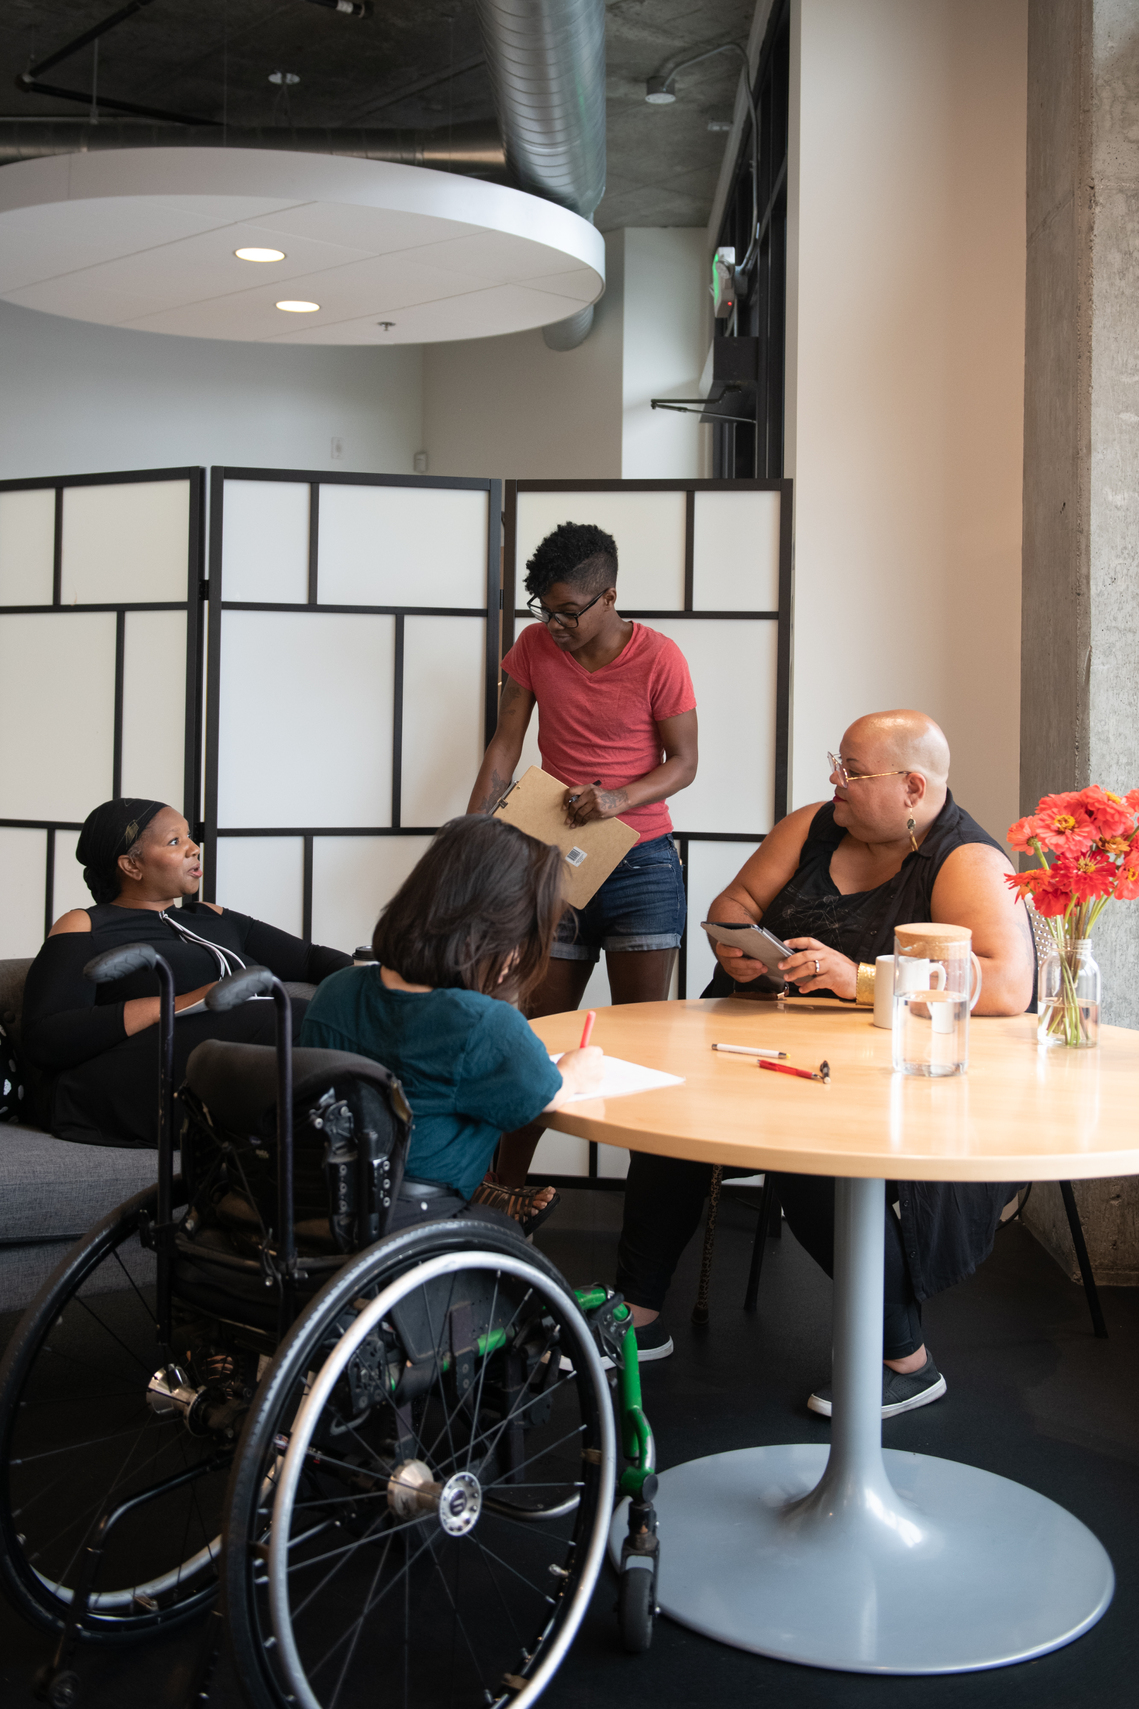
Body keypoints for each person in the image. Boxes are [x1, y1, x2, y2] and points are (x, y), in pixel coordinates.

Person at [615, 710, 1036, 1395]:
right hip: (766, 1047)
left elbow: (1007, 986)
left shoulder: (965, 860)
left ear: (910, 786)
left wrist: (859, 978)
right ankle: (637, 1315)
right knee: (670, 1118)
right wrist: (737, 946)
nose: (833, 781)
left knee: (810, 1159)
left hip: (892, 1076)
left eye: (852, 771)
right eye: (835, 764)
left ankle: (906, 1360)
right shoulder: (813, 825)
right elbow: (736, 901)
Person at [466, 521, 698, 1210]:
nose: (555, 625)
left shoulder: (660, 657)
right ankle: (502, 1187)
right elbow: (504, 746)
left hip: (640, 862)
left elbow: (683, 762)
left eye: (568, 611)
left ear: (609, 597)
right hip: (553, 856)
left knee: (638, 1037)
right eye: (546, 609)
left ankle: (648, 1205)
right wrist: (472, 836)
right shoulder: (533, 647)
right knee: (540, 1035)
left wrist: (617, 797)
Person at [298, 816, 603, 1231]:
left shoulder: (335, 989)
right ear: (501, 935)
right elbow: (545, 1094)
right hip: (413, 1217)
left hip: (318, 1202)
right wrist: (574, 1070)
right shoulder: (483, 1023)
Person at [22, 798, 351, 1148]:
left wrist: (376, 982)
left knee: (340, 1019)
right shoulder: (86, 924)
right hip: (122, 1081)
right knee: (293, 1016)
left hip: (225, 1064)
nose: (195, 848)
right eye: (175, 842)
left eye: (190, 837)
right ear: (131, 865)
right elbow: (46, 1037)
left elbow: (312, 960)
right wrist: (178, 1003)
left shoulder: (211, 917)